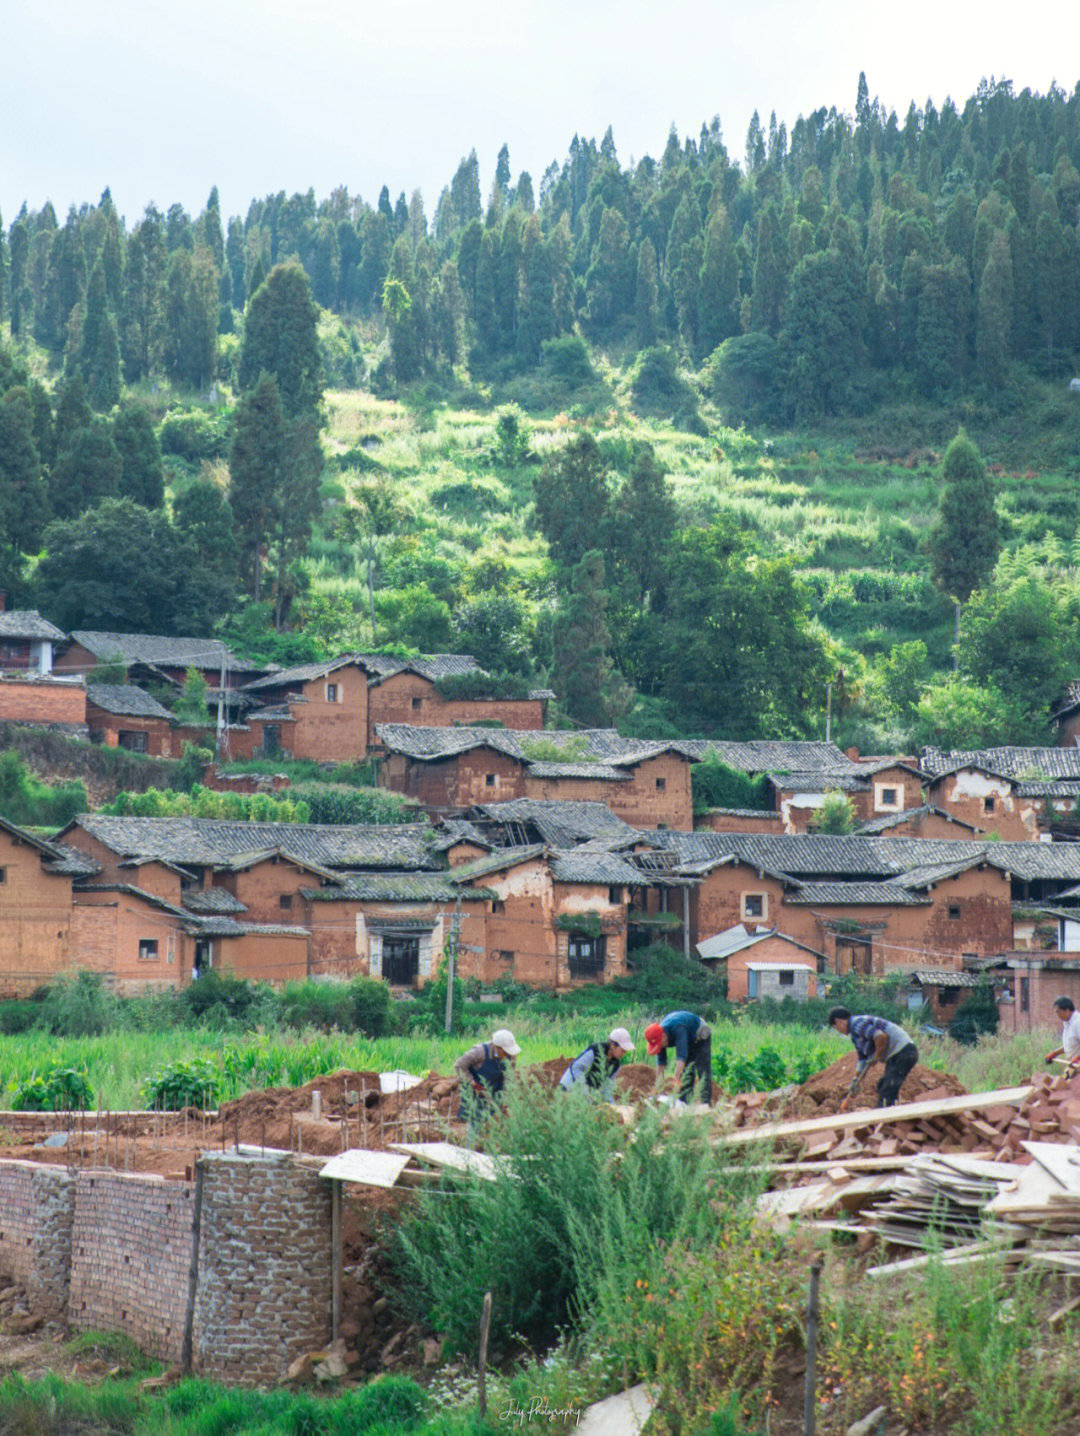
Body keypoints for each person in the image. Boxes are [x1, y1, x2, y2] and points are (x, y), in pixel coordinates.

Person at [829, 1007, 918, 1109]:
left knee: (887, 1090)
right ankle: (892, 1114)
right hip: (896, 1056)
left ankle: (885, 1120)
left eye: (836, 1028)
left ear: (839, 1021)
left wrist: (877, 1056)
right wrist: (856, 1080)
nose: (839, 1031)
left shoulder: (857, 1024)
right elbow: (862, 1060)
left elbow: (881, 1037)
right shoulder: (855, 1036)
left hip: (904, 1051)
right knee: (883, 1086)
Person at [454, 1028, 521, 1122]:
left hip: (495, 1086)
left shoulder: (511, 1055)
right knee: (474, 1118)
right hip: (474, 1087)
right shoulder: (479, 1052)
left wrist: (505, 1100)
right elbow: (459, 1066)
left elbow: (509, 1077)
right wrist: (473, 1084)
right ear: (496, 1047)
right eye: (505, 1052)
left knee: (494, 1118)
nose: (507, 1055)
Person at [644, 1011, 712, 1104]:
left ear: (663, 1036)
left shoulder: (678, 1028)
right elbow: (661, 1063)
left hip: (700, 1033)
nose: (660, 1047)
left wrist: (676, 1079)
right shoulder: (659, 1037)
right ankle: (685, 1104)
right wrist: (657, 1087)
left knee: (702, 1070)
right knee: (687, 1072)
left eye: (660, 1044)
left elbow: (681, 1057)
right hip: (688, 1037)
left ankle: (706, 1103)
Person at [559, 1027, 635, 1101]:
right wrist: (584, 1089)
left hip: (588, 1095)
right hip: (569, 1088)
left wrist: (610, 1105)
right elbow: (576, 1068)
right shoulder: (595, 1051)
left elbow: (608, 1086)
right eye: (622, 1050)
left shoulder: (615, 1064)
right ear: (612, 1045)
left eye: (625, 1051)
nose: (624, 1053)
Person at [1044, 996, 1080, 1072]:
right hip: (1073, 1066)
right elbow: (1070, 1045)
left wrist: (1078, 1057)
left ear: (1067, 1010)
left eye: (1058, 1012)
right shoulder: (1067, 1023)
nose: (1057, 1015)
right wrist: (1055, 1053)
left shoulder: (1078, 1022)